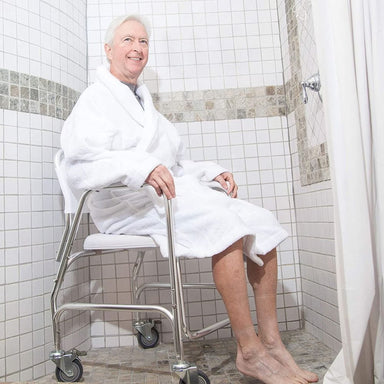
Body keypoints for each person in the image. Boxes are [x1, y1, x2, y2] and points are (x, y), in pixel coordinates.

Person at [61, 15, 319, 384]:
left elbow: (175, 165)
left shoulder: (145, 105)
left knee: (262, 223)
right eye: (128, 40)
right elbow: (79, 166)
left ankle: (273, 342)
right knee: (225, 224)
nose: (137, 48)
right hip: (126, 204)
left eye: (144, 42)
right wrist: (140, 169)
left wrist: (209, 172)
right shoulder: (95, 100)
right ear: (108, 49)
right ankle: (249, 351)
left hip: (161, 195)